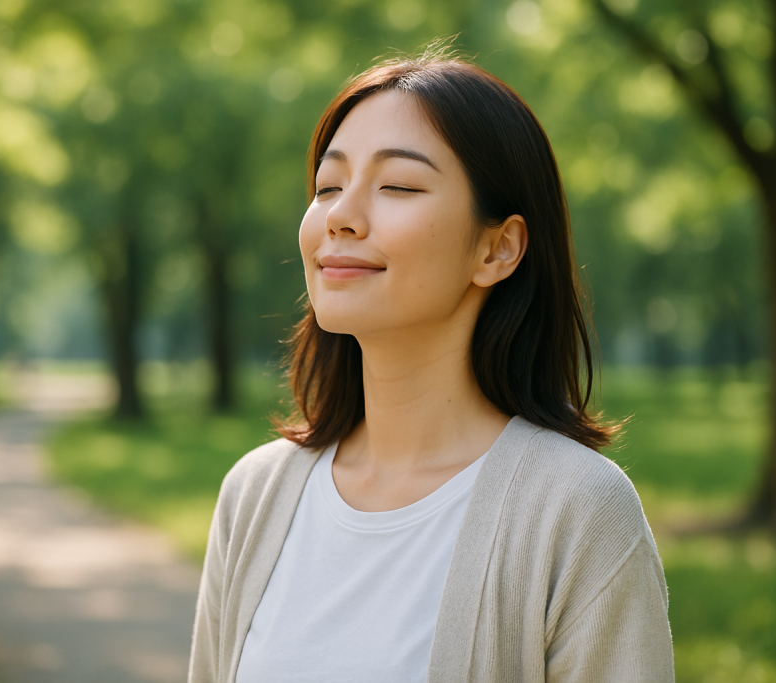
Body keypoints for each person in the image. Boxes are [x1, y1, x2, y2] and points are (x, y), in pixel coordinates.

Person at [189, 48, 673, 683]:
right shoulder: (255, 495)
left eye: (398, 186)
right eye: (327, 187)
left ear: (498, 248)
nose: (340, 216)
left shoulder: (577, 512)